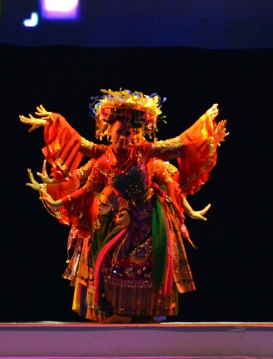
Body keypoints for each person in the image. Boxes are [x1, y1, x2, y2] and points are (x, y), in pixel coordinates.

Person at [20, 89, 228, 322]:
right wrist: (54, 121)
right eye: (119, 132)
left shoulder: (145, 152)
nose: (123, 138)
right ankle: (117, 311)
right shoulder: (103, 157)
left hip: (148, 219)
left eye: (128, 133)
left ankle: (147, 312)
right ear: (109, 131)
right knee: (108, 261)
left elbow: (179, 145)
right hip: (113, 217)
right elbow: (83, 168)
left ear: (136, 134)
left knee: (149, 265)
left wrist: (206, 127)